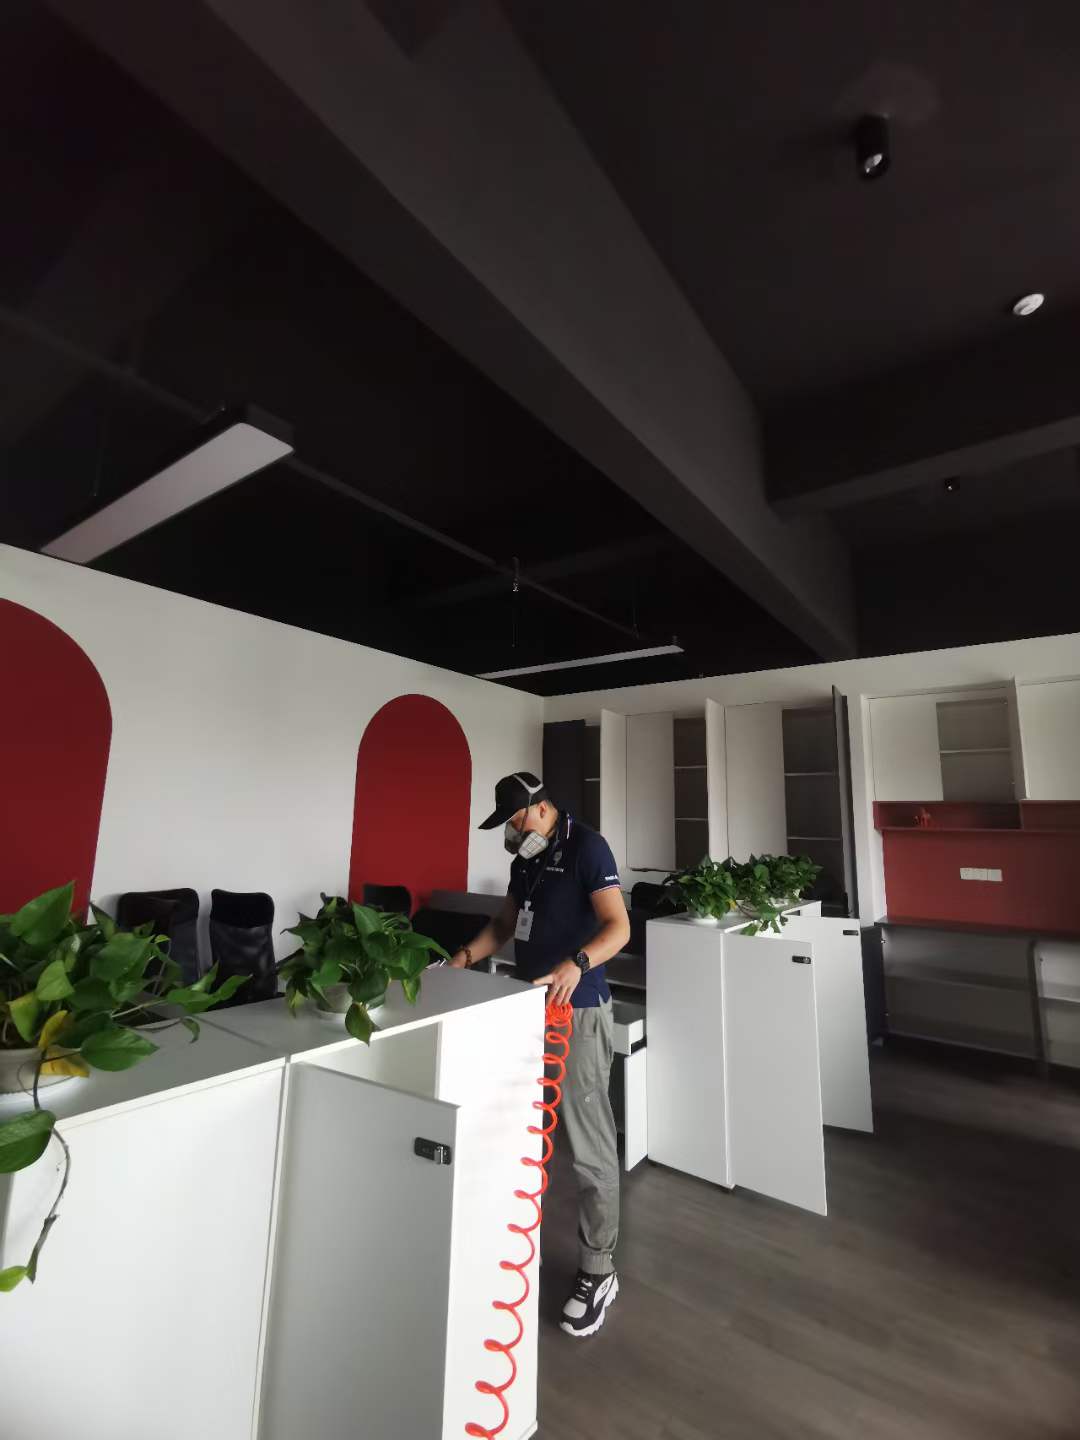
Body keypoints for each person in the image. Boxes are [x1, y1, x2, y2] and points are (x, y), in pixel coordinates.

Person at [450, 772, 631, 1338]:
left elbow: (618, 928)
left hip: (577, 1012)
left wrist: (578, 962)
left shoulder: (588, 848)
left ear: (543, 807)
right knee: (524, 1131)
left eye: (516, 818)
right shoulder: (525, 859)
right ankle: (514, 1239)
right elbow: (505, 924)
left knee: (588, 1143)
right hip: (526, 1009)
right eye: (507, 823)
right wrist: (459, 961)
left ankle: (598, 1270)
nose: (511, 830)